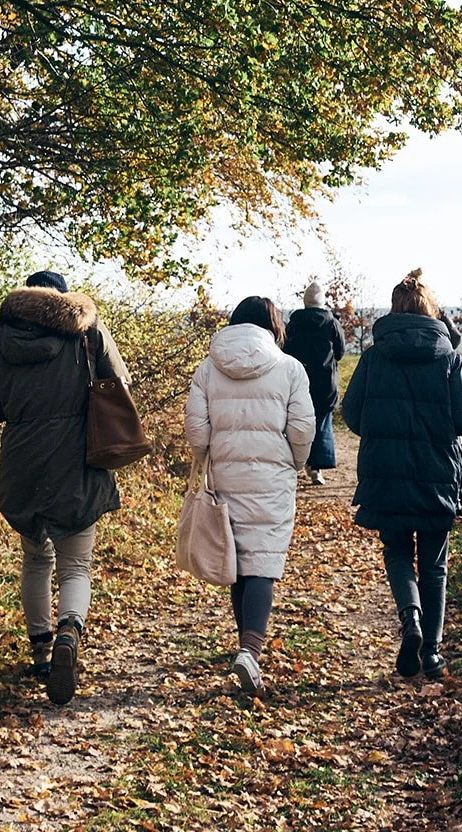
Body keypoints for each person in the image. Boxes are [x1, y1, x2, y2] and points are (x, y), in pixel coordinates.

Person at [0, 270, 130, 704]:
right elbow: (120, 384)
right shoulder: (87, 331)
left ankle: (41, 651)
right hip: (76, 457)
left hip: (23, 460)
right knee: (76, 564)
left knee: (35, 557)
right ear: (64, 297)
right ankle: (69, 631)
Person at [341, 268, 462, 681]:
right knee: (434, 565)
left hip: (386, 473)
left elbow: (349, 411)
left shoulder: (373, 356)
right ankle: (432, 654)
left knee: (398, 552)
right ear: (432, 311)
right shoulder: (449, 358)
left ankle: (410, 618)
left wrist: (380, 433)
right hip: (437, 474)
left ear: (394, 311)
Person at [184, 296, 315, 695]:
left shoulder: (208, 368)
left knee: (236, 557)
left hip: (225, 472)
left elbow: (196, 429)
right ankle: (250, 652)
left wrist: (205, 457)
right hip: (273, 476)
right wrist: (294, 461)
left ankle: (245, 647)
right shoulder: (290, 368)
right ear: (273, 326)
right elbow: (303, 428)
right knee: (263, 561)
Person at [283, 279, 346, 485]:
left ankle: (295, 463)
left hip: (299, 380)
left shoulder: (293, 323)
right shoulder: (331, 323)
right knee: (322, 424)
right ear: (322, 301)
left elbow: (285, 350)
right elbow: (340, 352)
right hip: (325, 382)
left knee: (297, 421)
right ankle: (316, 469)